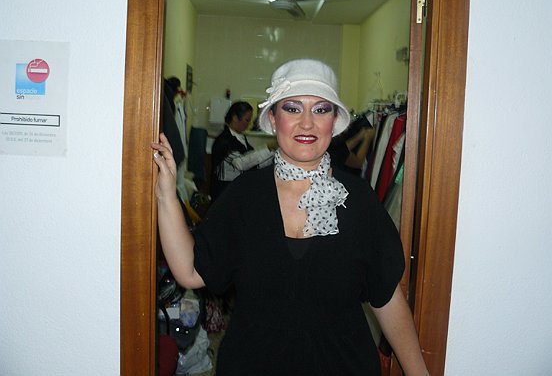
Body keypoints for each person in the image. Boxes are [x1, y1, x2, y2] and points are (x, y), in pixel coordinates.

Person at [151, 58, 429, 375]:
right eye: (293, 108)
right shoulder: (244, 197)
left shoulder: (359, 201)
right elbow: (190, 272)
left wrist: (418, 372)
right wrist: (165, 194)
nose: (307, 123)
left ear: (334, 121)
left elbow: (387, 297)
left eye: (321, 109)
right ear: (273, 118)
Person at [210, 101, 275, 201]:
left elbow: (254, 163)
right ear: (235, 118)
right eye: (247, 120)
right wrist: (268, 147)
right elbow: (241, 164)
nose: (249, 124)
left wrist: (274, 153)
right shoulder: (224, 141)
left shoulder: (241, 138)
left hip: (237, 190)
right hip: (224, 194)